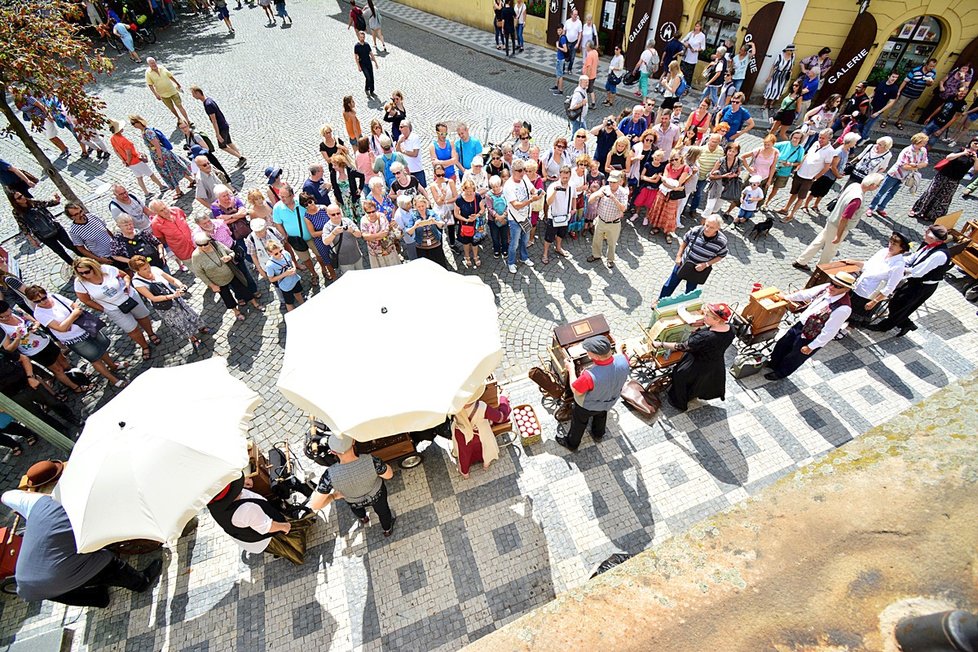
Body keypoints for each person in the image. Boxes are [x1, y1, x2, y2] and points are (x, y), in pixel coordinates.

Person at [1, 490, 163, 608]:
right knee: (108, 562)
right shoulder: (81, 515)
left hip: (27, 584)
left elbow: (6, 496)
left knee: (62, 591)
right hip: (58, 575)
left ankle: (99, 599)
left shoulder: (37, 504)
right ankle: (141, 582)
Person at [26, 285, 124, 387]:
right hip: (74, 339)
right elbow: (61, 328)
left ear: (46, 293)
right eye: (37, 301)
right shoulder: (39, 314)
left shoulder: (54, 296)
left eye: (44, 298)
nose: (43, 302)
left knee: (102, 348)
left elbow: (75, 306)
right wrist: (73, 315)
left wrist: (69, 320)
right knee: (95, 358)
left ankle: (112, 366)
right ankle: (114, 380)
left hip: (85, 328)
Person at [764, 271, 856, 381]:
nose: (831, 287)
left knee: (795, 356)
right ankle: (773, 363)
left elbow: (829, 332)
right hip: (800, 325)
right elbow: (805, 294)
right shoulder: (826, 288)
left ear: (846, 289)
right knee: (783, 344)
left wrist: (811, 346)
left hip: (812, 335)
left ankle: (780, 373)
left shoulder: (843, 308)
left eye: (837, 286)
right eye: (832, 283)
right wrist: (787, 297)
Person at [868, 225, 953, 337]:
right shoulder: (928, 246)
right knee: (899, 303)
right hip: (916, 282)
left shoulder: (939, 255)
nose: (924, 232)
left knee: (899, 304)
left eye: (927, 232)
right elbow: (913, 258)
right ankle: (907, 324)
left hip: (923, 286)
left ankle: (884, 327)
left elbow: (918, 272)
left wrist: (899, 268)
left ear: (932, 238)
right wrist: (897, 259)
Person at [308, 433, 397, 537]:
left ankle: (363, 518)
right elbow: (389, 475)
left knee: (357, 510)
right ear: (354, 441)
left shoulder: (329, 476)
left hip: (354, 501)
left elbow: (315, 505)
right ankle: (387, 529)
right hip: (377, 495)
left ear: (333, 452)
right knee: (383, 512)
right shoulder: (371, 460)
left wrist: (334, 496)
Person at [652, 303, 735, 411]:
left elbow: (681, 346)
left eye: (707, 316)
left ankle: (678, 402)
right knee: (698, 383)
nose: (704, 316)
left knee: (680, 376)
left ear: (717, 320)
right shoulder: (731, 329)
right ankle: (692, 395)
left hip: (696, 363)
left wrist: (661, 344)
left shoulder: (705, 337)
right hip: (715, 362)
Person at [72, 257, 158, 361]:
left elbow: (125, 275)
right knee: (131, 329)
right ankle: (144, 346)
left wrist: (127, 284)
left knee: (142, 317)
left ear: (94, 268)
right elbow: (85, 300)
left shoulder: (107, 269)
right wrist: (103, 309)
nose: (84, 275)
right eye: (80, 273)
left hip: (129, 297)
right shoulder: (80, 282)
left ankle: (151, 334)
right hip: (112, 308)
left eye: (86, 272)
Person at [792, 173, 883, 271]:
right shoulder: (857, 199)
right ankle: (821, 270)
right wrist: (838, 236)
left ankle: (801, 261)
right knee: (830, 250)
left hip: (832, 219)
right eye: (877, 185)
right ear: (872, 185)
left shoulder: (854, 186)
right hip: (837, 226)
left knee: (818, 242)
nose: (877, 188)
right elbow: (844, 218)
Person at [207, 475, 305, 563]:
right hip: (261, 538)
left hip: (243, 532)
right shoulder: (245, 510)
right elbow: (268, 527)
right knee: (292, 540)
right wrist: (284, 526)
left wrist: (241, 483)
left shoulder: (215, 505)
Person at [557, 335, 629, 451]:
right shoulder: (624, 360)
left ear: (596, 356)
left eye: (588, 352)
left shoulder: (589, 376)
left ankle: (572, 443)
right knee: (601, 415)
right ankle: (598, 434)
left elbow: (575, 389)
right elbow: (620, 356)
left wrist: (571, 369)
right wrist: (620, 348)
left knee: (579, 423)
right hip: (609, 401)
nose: (587, 353)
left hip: (587, 406)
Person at [1, 300, 88, 395]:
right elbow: (8, 349)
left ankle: (78, 377)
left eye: (9, 314)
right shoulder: (2, 328)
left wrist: (35, 326)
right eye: (4, 317)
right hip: (34, 351)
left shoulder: (16, 312)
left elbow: (35, 321)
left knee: (64, 361)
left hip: (45, 341)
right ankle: (75, 387)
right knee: (57, 369)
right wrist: (18, 338)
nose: (8, 317)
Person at [129, 255, 206, 350]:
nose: (148, 269)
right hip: (164, 306)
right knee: (179, 323)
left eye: (148, 266)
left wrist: (181, 285)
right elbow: (153, 298)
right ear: (137, 271)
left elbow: (172, 280)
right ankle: (193, 339)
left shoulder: (155, 269)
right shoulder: (137, 282)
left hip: (176, 298)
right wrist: (172, 296)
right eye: (144, 269)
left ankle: (200, 327)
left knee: (189, 313)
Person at [191, 233, 261, 321]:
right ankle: (236, 312)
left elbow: (231, 252)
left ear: (210, 241)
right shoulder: (196, 256)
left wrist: (229, 257)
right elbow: (200, 273)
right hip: (217, 282)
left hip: (231, 274)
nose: (203, 247)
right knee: (227, 297)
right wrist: (211, 285)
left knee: (243, 289)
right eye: (200, 245)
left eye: (205, 244)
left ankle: (255, 303)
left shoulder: (217, 245)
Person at [847, 232, 911, 326]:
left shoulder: (898, 265)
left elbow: (890, 287)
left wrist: (874, 301)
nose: (890, 245)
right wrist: (855, 262)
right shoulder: (883, 251)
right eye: (890, 242)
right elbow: (868, 265)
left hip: (868, 295)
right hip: (858, 286)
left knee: (855, 317)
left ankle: (845, 330)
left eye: (894, 244)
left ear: (902, 248)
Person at [657, 214, 727, 299]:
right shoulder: (696, 230)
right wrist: (679, 256)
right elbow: (685, 241)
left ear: (718, 229)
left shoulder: (721, 241)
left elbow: (722, 255)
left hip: (699, 269)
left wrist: (706, 264)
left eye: (711, 227)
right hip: (684, 263)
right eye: (706, 225)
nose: (707, 229)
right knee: (670, 284)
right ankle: (660, 301)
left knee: (690, 291)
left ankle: (685, 306)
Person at [910, 138, 978, 222]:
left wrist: (976, 159)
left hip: (955, 179)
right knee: (931, 192)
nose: (977, 145)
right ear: (971, 143)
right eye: (975, 143)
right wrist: (963, 153)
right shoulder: (962, 150)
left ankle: (932, 215)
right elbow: (948, 157)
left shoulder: (976, 157)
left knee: (944, 198)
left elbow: (976, 169)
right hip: (943, 175)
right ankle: (918, 210)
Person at [273, 184, 327, 287]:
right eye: (281, 196)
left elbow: (313, 207)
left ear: (292, 195)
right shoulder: (277, 208)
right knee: (306, 259)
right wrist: (285, 236)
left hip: (311, 236)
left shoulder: (302, 201)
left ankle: (324, 270)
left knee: (319, 254)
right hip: (296, 240)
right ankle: (314, 274)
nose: (282, 199)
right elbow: (278, 223)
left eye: (284, 196)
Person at [127, 115, 193, 198]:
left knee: (169, 172)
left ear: (138, 122)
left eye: (133, 123)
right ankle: (191, 180)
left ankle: (178, 191)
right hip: (160, 154)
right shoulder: (144, 131)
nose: (133, 125)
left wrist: (159, 158)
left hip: (161, 155)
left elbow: (157, 146)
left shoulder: (148, 132)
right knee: (175, 168)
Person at [778, 128, 835, 223]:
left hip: (809, 178)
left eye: (823, 138)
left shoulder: (830, 151)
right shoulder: (815, 143)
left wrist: (815, 177)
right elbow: (807, 155)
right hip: (800, 173)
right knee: (794, 193)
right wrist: (799, 166)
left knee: (801, 197)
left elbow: (826, 167)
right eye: (820, 137)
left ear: (829, 139)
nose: (820, 140)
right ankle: (785, 209)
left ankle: (791, 215)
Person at [6, 191, 77, 265]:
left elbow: (48, 203)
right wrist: (32, 240)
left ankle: (86, 257)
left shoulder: (33, 203)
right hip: (43, 236)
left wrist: (56, 200)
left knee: (70, 245)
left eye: (22, 195)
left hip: (56, 228)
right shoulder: (16, 212)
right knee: (60, 252)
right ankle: (73, 266)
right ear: (15, 201)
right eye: (19, 198)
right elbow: (23, 226)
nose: (23, 198)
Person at [451, 389, 510, 478]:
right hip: (480, 431)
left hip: (461, 432)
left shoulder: (451, 405)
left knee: (464, 452)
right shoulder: (481, 407)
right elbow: (501, 417)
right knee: (486, 446)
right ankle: (486, 464)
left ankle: (465, 472)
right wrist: (503, 398)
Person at [868, 133, 929, 219]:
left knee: (892, 193)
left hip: (905, 177)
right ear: (918, 142)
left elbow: (925, 163)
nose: (925, 144)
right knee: (882, 192)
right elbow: (904, 166)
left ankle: (881, 207)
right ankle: (871, 207)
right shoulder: (907, 151)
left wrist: (914, 165)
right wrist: (917, 165)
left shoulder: (923, 151)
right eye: (923, 142)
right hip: (895, 174)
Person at [803, 131, 861, 215]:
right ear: (850, 142)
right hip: (826, 175)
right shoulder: (839, 152)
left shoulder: (846, 150)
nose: (855, 143)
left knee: (823, 192)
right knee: (815, 191)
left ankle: (815, 205)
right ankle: (805, 205)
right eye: (855, 142)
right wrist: (838, 175)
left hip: (832, 177)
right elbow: (832, 166)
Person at [189, 87, 246, 167]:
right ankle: (241, 158)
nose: (193, 96)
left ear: (198, 93)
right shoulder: (209, 100)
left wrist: (217, 134)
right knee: (229, 142)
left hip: (221, 128)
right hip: (224, 125)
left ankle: (241, 158)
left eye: (193, 94)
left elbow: (214, 120)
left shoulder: (208, 104)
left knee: (222, 146)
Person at [108, 120, 166, 196]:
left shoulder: (112, 139)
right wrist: (128, 161)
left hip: (129, 163)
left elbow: (116, 151)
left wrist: (124, 160)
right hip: (135, 161)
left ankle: (146, 193)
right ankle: (161, 187)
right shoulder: (124, 140)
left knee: (139, 177)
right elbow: (129, 153)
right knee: (150, 174)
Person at [648, 149, 691, 244]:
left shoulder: (685, 168)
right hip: (663, 192)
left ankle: (667, 232)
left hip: (672, 196)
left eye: (676, 159)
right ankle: (656, 226)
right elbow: (664, 181)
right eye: (672, 160)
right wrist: (674, 187)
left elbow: (679, 183)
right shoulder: (668, 166)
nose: (674, 162)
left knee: (670, 213)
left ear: (681, 158)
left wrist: (673, 186)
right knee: (659, 209)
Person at [587, 172, 628, 268]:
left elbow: (623, 209)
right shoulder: (604, 188)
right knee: (596, 240)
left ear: (619, 182)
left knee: (612, 243)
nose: (611, 184)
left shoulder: (623, 192)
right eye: (610, 182)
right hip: (601, 220)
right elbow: (590, 201)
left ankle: (610, 259)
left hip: (614, 223)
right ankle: (596, 255)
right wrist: (597, 195)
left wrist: (613, 198)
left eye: (614, 182)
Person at [503, 159, 538, 273]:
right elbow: (516, 205)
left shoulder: (524, 178)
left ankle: (524, 257)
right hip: (515, 219)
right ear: (513, 171)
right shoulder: (508, 186)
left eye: (523, 170)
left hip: (526, 216)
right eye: (519, 171)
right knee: (514, 243)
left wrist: (537, 193)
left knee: (525, 239)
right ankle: (511, 262)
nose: (522, 173)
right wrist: (530, 200)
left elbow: (533, 189)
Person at [888, 58, 938, 131]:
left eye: (933, 66)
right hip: (907, 92)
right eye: (930, 66)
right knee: (897, 106)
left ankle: (899, 122)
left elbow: (928, 85)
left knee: (907, 110)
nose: (932, 68)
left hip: (916, 94)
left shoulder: (933, 73)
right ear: (926, 64)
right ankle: (886, 119)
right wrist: (899, 91)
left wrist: (930, 82)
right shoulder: (916, 70)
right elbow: (905, 81)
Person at [144, 58, 191, 127]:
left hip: (172, 90)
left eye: (154, 62)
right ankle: (179, 118)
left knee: (179, 105)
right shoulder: (148, 73)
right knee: (171, 108)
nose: (153, 64)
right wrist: (156, 94)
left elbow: (170, 76)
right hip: (163, 94)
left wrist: (177, 83)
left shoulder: (161, 67)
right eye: (151, 63)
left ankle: (188, 120)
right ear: (148, 64)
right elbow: (150, 85)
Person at [65, 203, 115, 267]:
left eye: (81, 211)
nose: (81, 214)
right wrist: (99, 259)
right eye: (76, 214)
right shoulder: (74, 231)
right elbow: (81, 249)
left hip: (115, 249)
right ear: (71, 217)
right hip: (105, 257)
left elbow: (106, 229)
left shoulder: (92, 216)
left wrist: (116, 241)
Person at [320, 203, 364, 275]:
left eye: (338, 213)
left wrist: (352, 230)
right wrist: (334, 233)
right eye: (333, 215)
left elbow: (359, 235)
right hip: (344, 261)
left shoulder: (347, 221)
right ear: (328, 215)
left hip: (357, 256)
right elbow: (325, 242)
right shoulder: (327, 227)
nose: (336, 216)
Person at [149, 200, 195, 269]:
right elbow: (161, 239)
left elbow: (184, 219)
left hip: (196, 245)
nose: (165, 211)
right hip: (184, 252)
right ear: (156, 213)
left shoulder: (177, 210)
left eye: (165, 208)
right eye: (161, 210)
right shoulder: (155, 224)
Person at [405, 195, 448, 268]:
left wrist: (435, 222)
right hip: (422, 248)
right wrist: (415, 226)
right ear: (415, 207)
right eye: (419, 207)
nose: (421, 208)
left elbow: (442, 225)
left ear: (426, 204)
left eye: (423, 206)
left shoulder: (431, 213)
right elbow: (409, 232)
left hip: (435, 246)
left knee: (440, 267)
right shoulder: (413, 216)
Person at [262, 241, 304, 310]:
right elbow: (271, 279)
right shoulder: (269, 265)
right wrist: (285, 274)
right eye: (276, 253)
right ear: (270, 253)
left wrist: (294, 268)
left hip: (294, 279)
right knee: (289, 302)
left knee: (298, 293)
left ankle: (303, 305)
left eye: (280, 251)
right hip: (285, 286)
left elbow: (291, 261)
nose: (280, 254)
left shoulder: (285, 253)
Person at [359, 200, 400, 268]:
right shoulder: (363, 220)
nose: (371, 214)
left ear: (376, 209)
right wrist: (378, 235)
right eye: (368, 212)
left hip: (388, 249)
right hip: (375, 252)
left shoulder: (382, 216)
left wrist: (372, 237)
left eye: (373, 211)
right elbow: (364, 236)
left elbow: (385, 232)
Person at [865, 71, 901, 136]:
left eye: (896, 77)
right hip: (871, 106)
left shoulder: (894, 89)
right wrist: (868, 99)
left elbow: (891, 102)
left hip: (878, 109)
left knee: (868, 125)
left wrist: (879, 112)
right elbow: (874, 93)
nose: (894, 79)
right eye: (893, 76)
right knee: (863, 122)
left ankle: (864, 138)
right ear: (889, 76)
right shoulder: (882, 82)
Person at [353, 30, 379, 97]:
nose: (362, 38)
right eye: (361, 37)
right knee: (368, 77)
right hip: (362, 64)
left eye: (363, 37)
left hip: (368, 63)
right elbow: (356, 57)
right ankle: (366, 88)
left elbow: (371, 54)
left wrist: (375, 62)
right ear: (358, 37)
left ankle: (372, 91)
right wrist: (358, 66)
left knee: (371, 77)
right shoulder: (356, 46)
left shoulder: (367, 45)